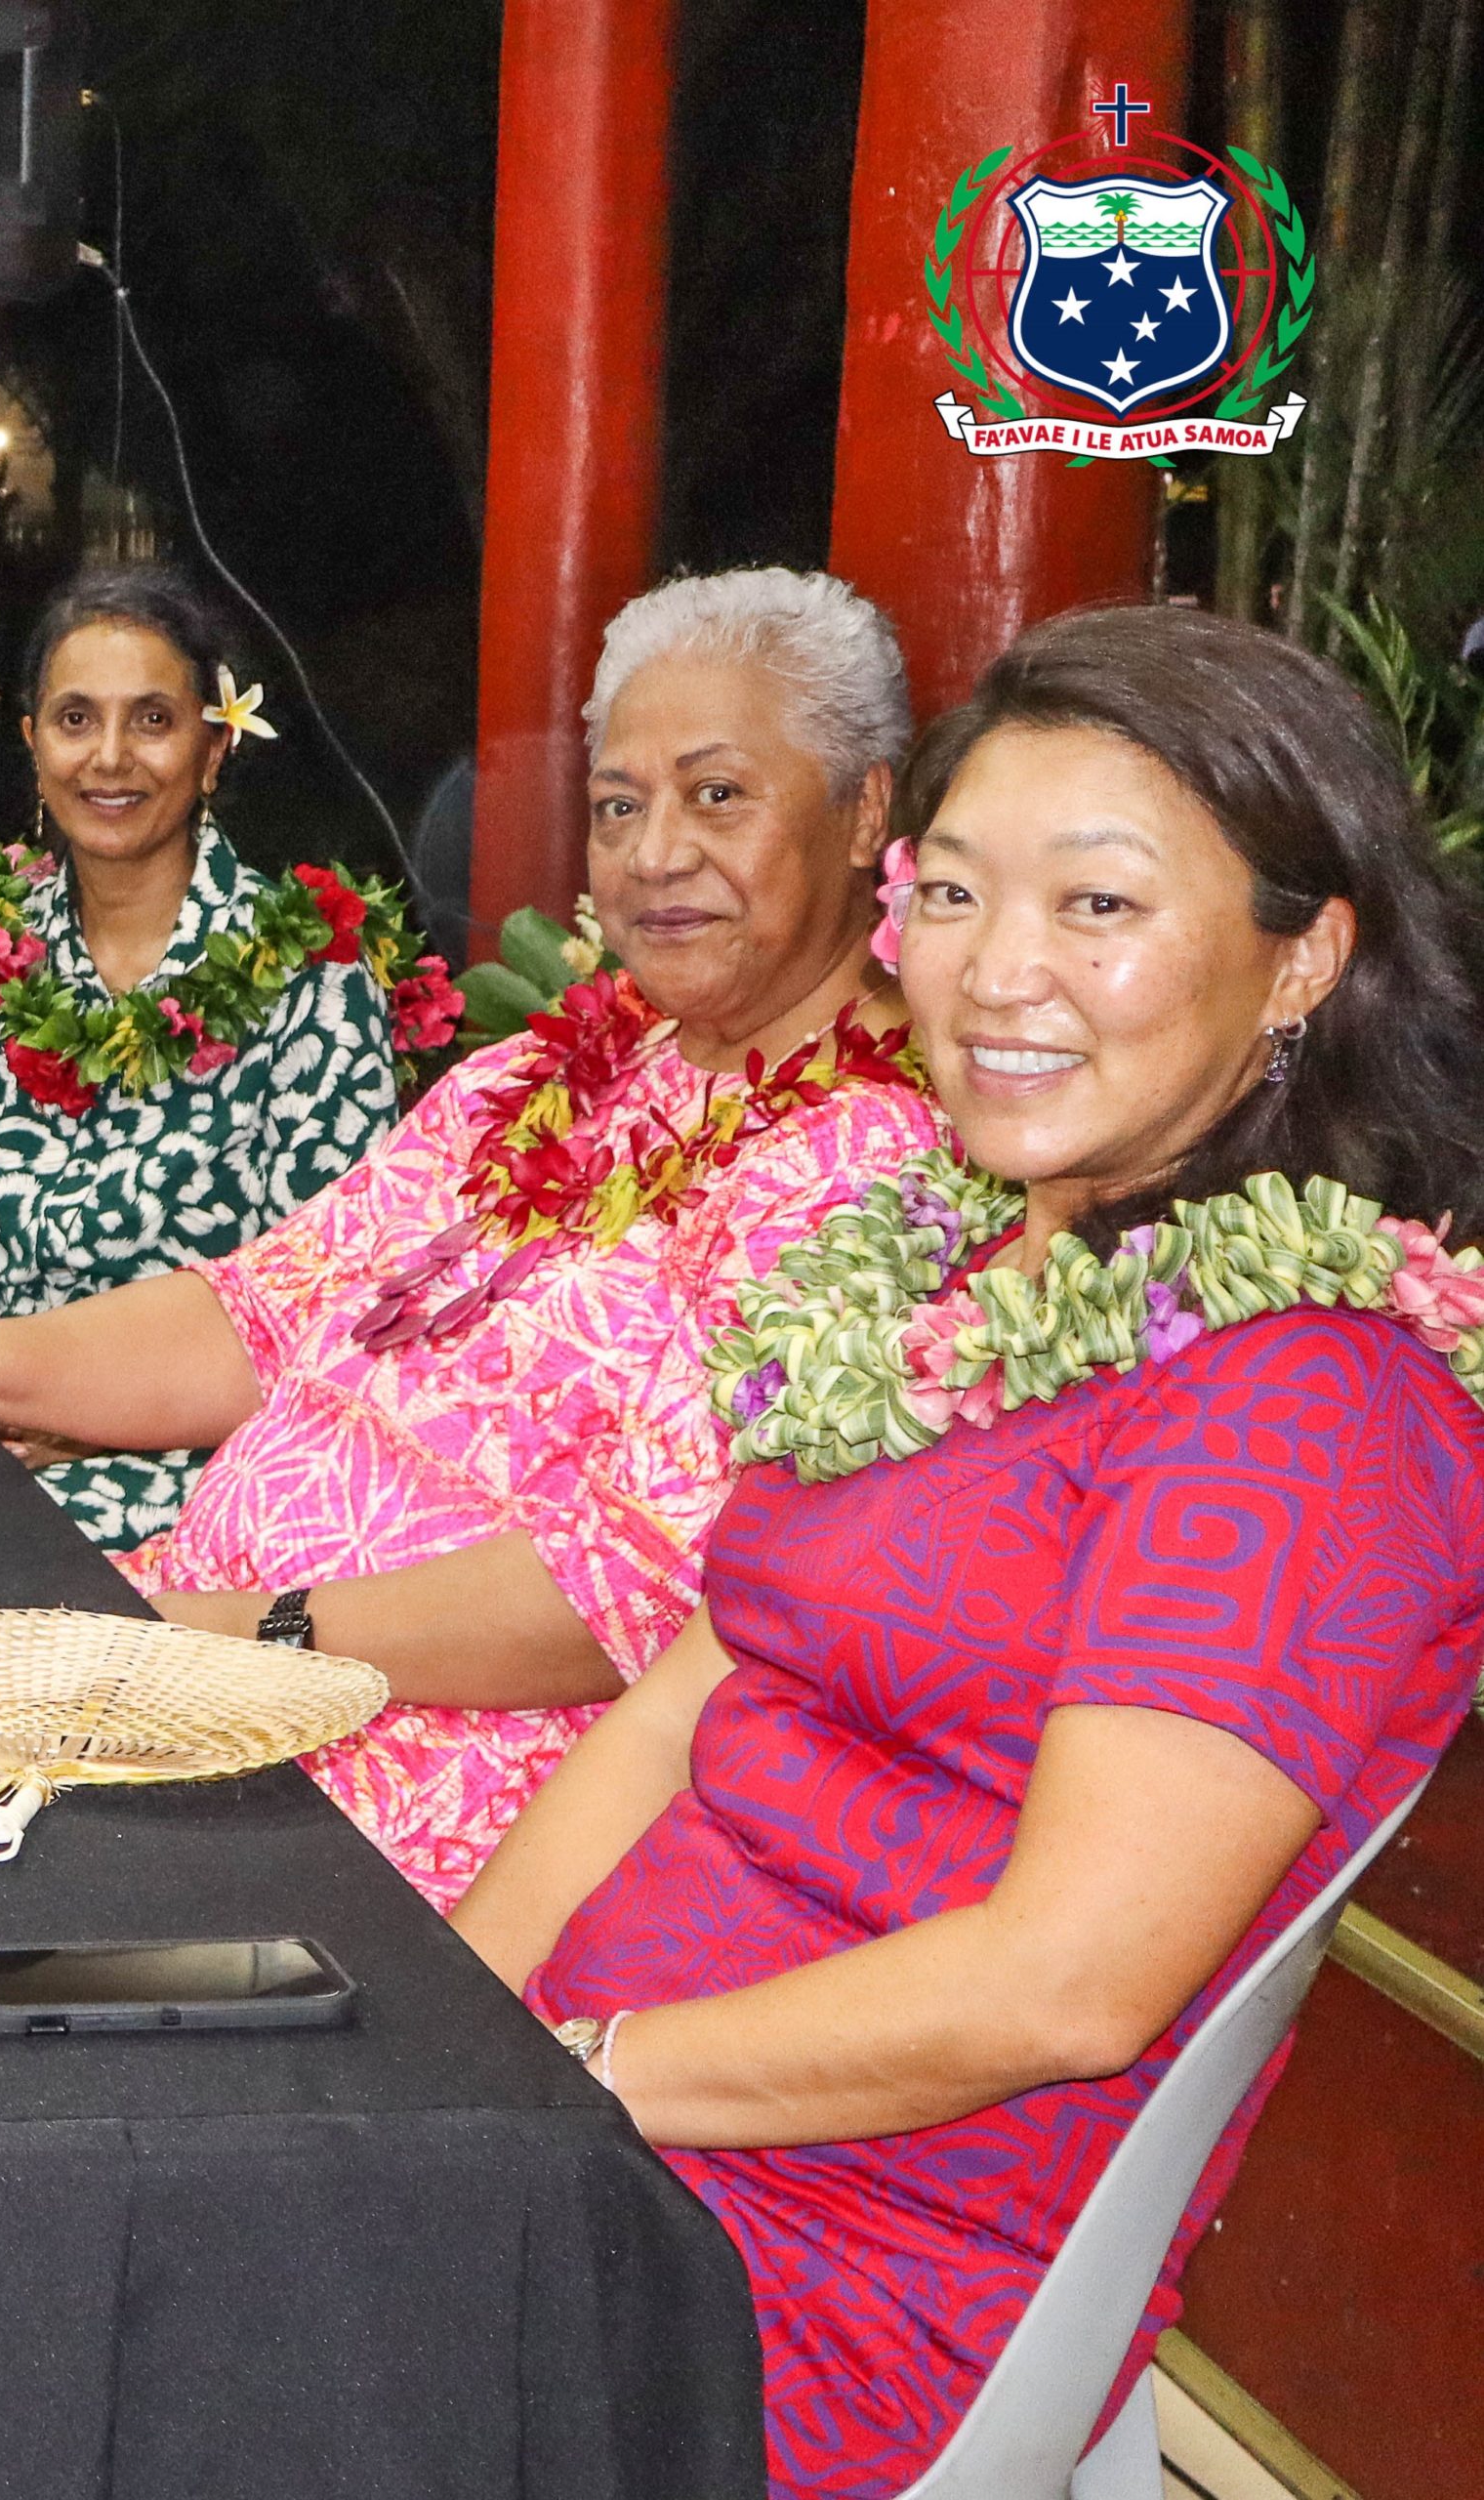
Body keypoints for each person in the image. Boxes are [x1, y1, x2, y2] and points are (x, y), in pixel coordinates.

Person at [450, 604, 1484, 2499]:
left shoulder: (1304, 1412)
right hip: (574, 2159)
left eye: (1095, 906)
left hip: (792, 2282)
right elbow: (685, 1697)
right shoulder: (942, 1269)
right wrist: (446, 2038)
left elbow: (1060, 1983)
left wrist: (558, 2081)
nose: (997, 972)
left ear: (1299, 956)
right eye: (955, 894)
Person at [0, 566, 945, 1908]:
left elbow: (634, 1588)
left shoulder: (877, 1170)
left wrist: (223, 1637)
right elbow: (260, 1310)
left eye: (715, 796)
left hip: (391, 1771)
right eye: (619, 804)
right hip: (178, 1648)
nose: (655, 851)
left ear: (866, 813)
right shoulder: (546, 1077)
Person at [0, 564, 398, 1547]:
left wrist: (75, 1416)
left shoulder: (310, 975)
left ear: (213, 748)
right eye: (75, 719)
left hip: (210, 1478)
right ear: (31, 747)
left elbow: (331, 1314)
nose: (109, 757)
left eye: (152, 720)